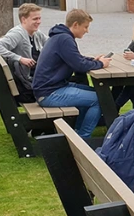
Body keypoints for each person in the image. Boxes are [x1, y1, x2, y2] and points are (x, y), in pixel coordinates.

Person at [32, 9, 110, 140]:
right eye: (85, 27)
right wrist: (101, 64)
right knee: (99, 98)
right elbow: (79, 65)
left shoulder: (60, 37)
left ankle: (78, 133)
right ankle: (83, 138)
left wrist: (93, 60)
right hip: (49, 93)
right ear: (75, 25)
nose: (87, 31)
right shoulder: (65, 39)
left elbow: (76, 59)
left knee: (98, 92)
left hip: (50, 88)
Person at [0, 3, 47, 68]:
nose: (39, 21)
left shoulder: (37, 33)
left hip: (41, 72)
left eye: (39, 18)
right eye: (35, 19)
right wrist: (20, 59)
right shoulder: (17, 34)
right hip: (28, 76)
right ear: (23, 19)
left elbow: (51, 44)